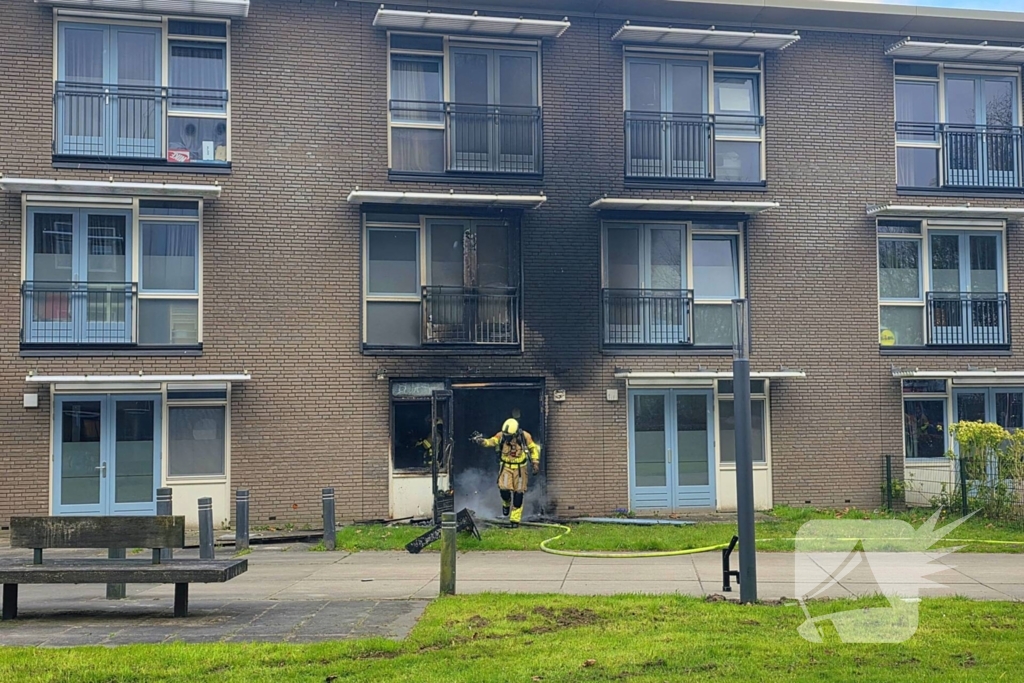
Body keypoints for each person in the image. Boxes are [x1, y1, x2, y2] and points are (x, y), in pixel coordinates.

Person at [473, 418, 541, 526]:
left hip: (520, 468)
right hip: (506, 467)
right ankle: (506, 503)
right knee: (504, 489)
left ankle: (515, 520)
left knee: (519, 494)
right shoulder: (501, 435)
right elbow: (492, 441)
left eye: (509, 436)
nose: (507, 438)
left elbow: (533, 449)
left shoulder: (525, 436)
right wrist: (482, 441)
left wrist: (535, 463)